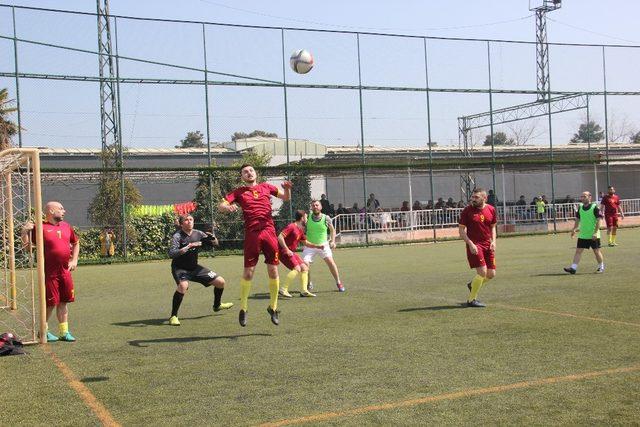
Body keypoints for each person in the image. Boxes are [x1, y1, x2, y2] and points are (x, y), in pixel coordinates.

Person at [218, 164, 292, 327]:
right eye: (245, 172)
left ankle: (273, 307)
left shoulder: (266, 187)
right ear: (242, 176)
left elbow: (286, 198)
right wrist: (228, 207)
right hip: (252, 234)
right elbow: (221, 205)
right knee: (248, 272)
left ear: (255, 173)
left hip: (269, 232)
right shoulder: (238, 192)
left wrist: (287, 189)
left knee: (273, 269)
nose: (249, 173)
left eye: (251, 170)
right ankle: (243, 308)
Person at [21, 201, 80, 342]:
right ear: (51, 211)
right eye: (60, 208)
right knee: (50, 303)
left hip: (65, 272)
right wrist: (24, 233)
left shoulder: (67, 226)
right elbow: (27, 248)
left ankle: (64, 332)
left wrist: (74, 260)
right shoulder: (40, 227)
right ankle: (44, 331)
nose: (64, 211)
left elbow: (76, 242)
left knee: (64, 302)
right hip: (49, 273)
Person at [167, 214, 233, 326]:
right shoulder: (177, 236)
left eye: (191, 219)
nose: (189, 221)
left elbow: (215, 244)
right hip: (180, 269)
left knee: (220, 282)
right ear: (182, 224)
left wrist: (213, 238)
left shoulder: (198, 233)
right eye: (186, 220)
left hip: (194, 268)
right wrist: (188, 247)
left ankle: (217, 305)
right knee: (183, 286)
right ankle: (173, 316)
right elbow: (172, 254)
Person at [458, 188, 497, 308]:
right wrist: (470, 244)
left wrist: (494, 241)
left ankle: (473, 284)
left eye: (476, 197)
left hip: (487, 245)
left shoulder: (491, 209)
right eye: (472, 197)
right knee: (482, 272)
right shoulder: (467, 210)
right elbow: (461, 231)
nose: (472, 199)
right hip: (475, 245)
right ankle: (471, 300)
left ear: (484, 198)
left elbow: (493, 227)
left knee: (491, 274)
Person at [277, 210, 322, 298]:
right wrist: (286, 249)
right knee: (297, 268)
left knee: (305, 267)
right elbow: (280, 237)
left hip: (291, 252)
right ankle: (283, 289)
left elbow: (306, 243)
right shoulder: (291, 226)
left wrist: (317, 246)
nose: (307, 219)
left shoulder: (300, 229)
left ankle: (304, 291)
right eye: (306, 217)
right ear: (302, 218)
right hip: (283, 252)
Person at [302, 200, 345, 292]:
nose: (315, 207)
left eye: (317, 205)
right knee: (305, 264)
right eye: (313, 205)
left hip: (323, 245)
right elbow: (301, 229)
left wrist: (333, 241)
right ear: (311, 208)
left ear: (320, 207)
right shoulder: (307, 217)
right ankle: (309, 282)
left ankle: (338, 282)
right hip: (310, 246)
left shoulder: (326, 218)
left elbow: (332, 230)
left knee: (331, 262)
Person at [564, 191, 604, 274]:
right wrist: (574, 229)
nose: (582, 198)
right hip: (583, 234)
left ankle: (601, 267)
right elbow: (578, 219)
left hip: (593, 234)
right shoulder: (580, 207)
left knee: (596, 251)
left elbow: (599, 220)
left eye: (584, 196)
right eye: (582, 196)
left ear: (590, 197)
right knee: (578, 251)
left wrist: (595, 232)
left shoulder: (594, 207)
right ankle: (573, 268)